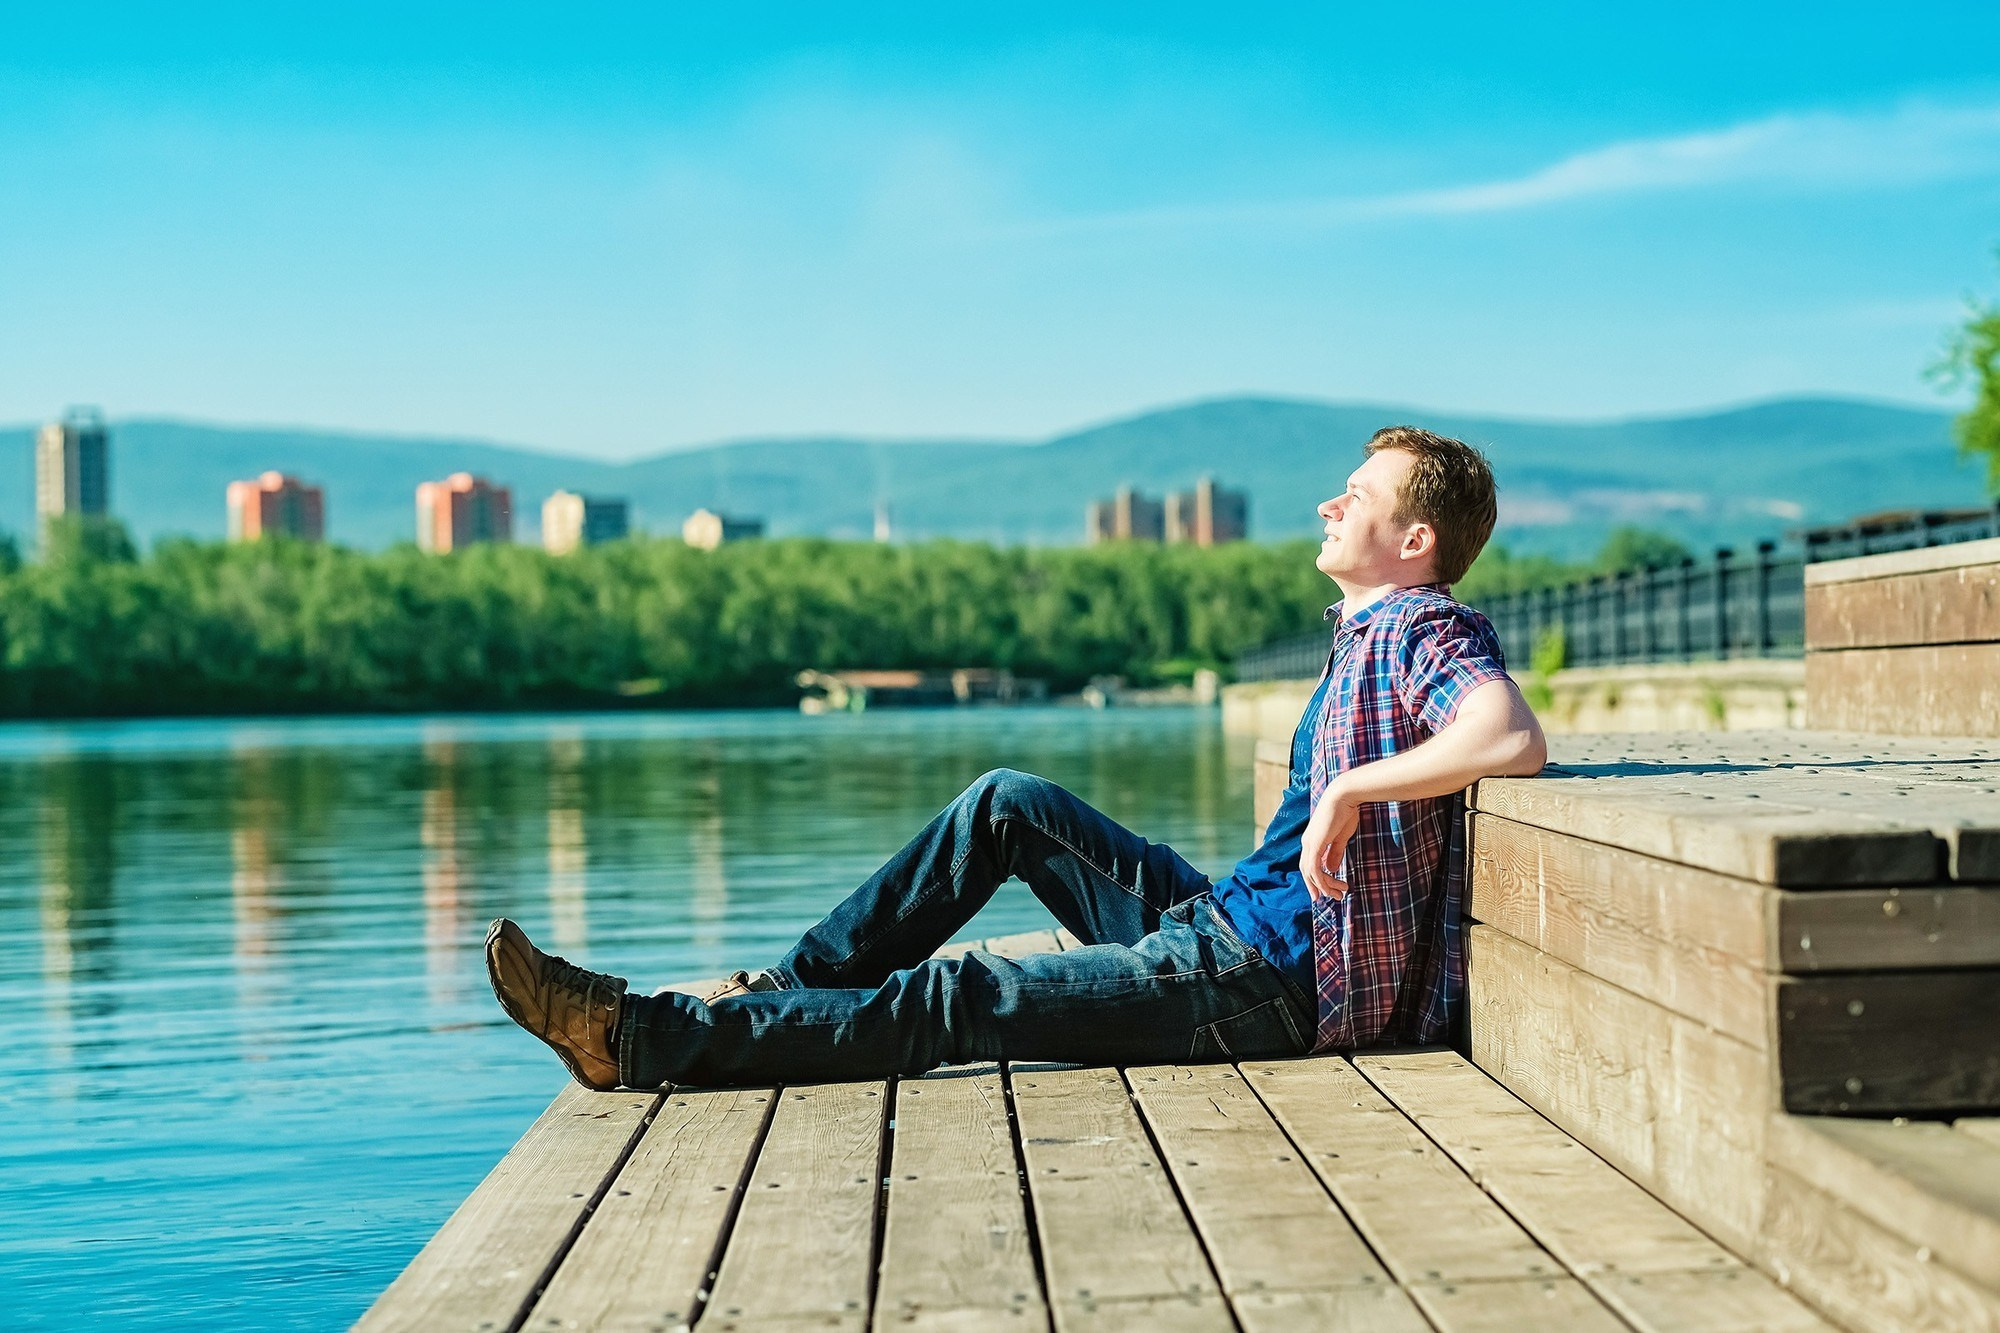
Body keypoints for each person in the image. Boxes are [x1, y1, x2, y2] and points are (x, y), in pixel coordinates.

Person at [485, 425, 1547, 1089]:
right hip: (1222, 921)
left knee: (959, 1000)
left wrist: (1353, 787)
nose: (1329, 501)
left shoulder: (1420, 627)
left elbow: (1507, 734)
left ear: (1413, 542)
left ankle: (643, 1039)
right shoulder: (1361, 633)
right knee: (1008, 805)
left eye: (1356, 494)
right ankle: (782, 985)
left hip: (1263, 986)